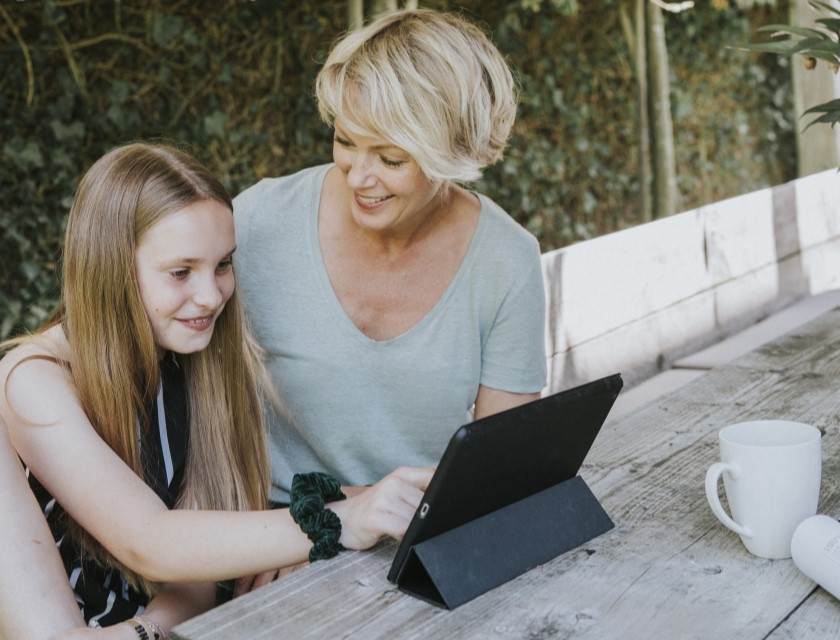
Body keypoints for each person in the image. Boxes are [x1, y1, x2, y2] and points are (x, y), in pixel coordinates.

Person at [0, 142, 433, 639]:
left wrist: (150, 629)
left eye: (223, 265)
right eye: (181, 272)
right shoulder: (32, 379)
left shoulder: (188, 359)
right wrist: (336, 521)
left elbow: (196, 575)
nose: (211, 296)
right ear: (112, 271)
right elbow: (152, 542)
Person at [234, 9, 548, 505]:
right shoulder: (257, 222)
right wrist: (276, 530)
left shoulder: (507, 261)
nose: (357, 176)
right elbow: (188, 408)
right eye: (345, 140)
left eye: (390, 159)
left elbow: (498, 473)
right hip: (275, 530)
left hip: (423, 531)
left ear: (451, 155)